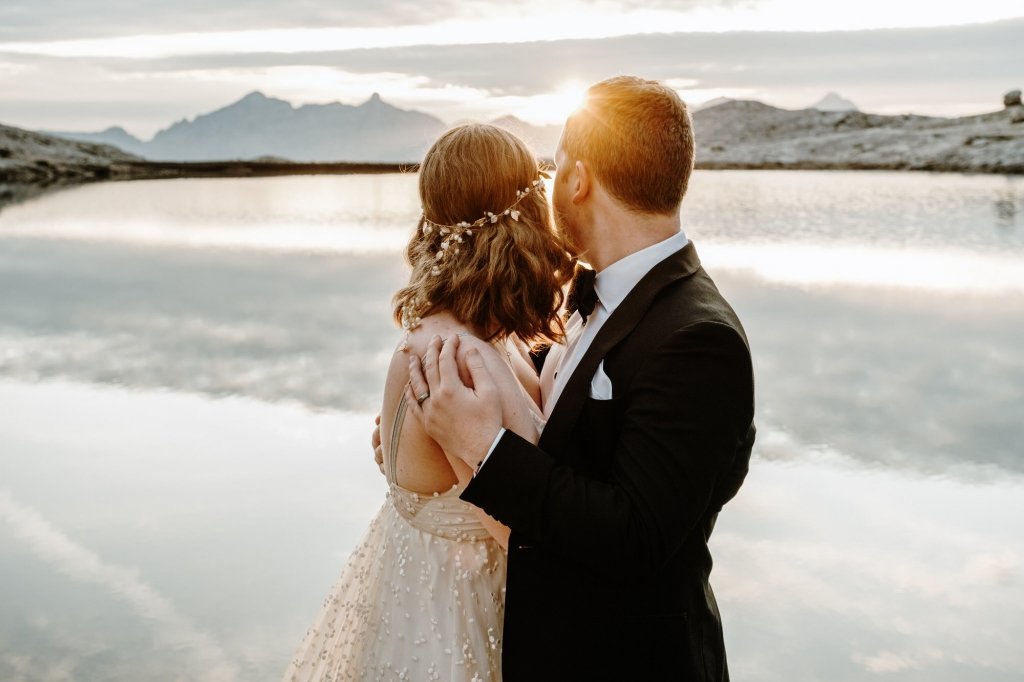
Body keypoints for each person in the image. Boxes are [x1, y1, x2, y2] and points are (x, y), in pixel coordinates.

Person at [405, 76, 756, 680]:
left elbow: (635, 536)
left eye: (555, 168)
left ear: (577, 180)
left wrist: (481, 448)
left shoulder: (697, 337)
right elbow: (563, 419)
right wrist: (426, 447)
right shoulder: (589, 296)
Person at [284, 123, 573, 682]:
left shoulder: (465, 333)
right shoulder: (458, 358)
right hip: (456, 623)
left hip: (418, 591)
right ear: (524, 214)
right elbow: (525, 537)